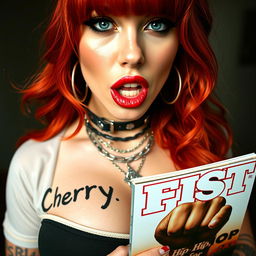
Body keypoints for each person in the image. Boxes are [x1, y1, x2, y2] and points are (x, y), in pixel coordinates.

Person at [3, 0, 255, 255]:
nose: (133, 55)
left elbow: (244, 244)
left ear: (180, 42)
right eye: (103, 24)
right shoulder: (33, 164)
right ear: (72, 41)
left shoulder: (209, 141)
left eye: (156, 25)